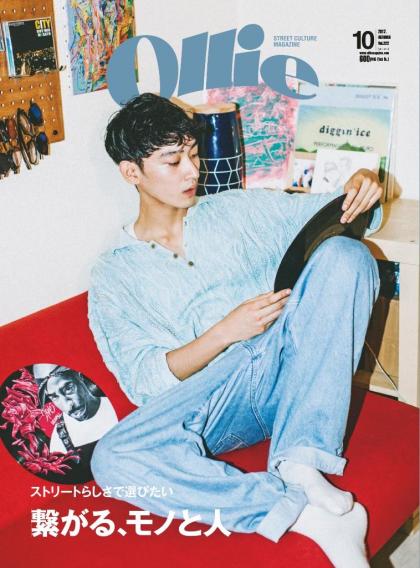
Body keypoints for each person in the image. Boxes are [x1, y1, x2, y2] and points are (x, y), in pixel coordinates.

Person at [88, 93, 382, 567]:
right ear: (131, 173)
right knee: (113, 458)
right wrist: (224, 333)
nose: (191, 171)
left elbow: (338, 213)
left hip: (287, 371)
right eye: (173, 161)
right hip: (213, 409)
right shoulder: (114, 274)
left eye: (193, 154)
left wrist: (364, 184)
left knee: (347, 255)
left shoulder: (237, 211)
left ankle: (301, 462)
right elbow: (145, 383)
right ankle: (300, 514)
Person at [33, 363, 118, 454]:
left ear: (80, 377)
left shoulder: (115, 403)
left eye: (68, 388)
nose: (68, 405)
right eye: (54, 397)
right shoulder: (59, 443)